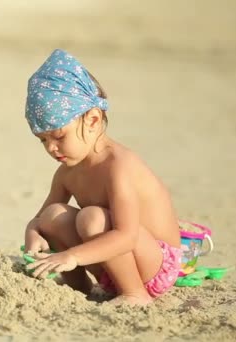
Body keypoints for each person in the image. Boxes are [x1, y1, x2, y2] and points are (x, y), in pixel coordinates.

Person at [23, 49, 182, 305]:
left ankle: (135, 294)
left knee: (92, 217)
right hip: (111, 262)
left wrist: (72, 256)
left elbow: (127, 236)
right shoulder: (67, 172)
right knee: (53, 215)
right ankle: (78, 288)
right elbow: (42, 219)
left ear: (93, 120)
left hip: (155, 265)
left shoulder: (118, 166)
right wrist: (33, 230)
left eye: (59, 136)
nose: (51, 147)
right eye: (43, 140)